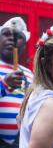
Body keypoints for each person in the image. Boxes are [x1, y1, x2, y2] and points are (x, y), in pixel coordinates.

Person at [0, 17, 33, 148]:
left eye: (18, 36)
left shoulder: (29, 75)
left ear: (24, 45)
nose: (11, 39)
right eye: (6, 34)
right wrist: (3, 85)